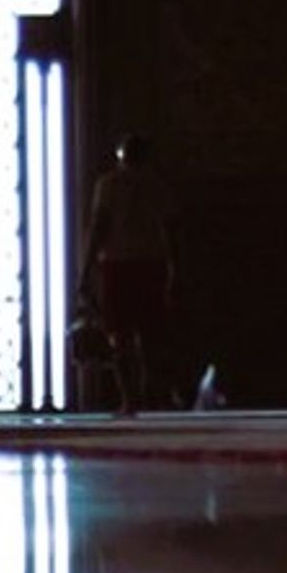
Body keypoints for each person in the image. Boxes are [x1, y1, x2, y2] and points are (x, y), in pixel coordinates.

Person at [79, 133, 175, 416]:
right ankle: (152, 395)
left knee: (120, 334)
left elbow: (99, 227)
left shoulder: (108, 184)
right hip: (151, 261)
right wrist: (174, 267)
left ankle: (130, 399)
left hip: (118, 263)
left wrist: (86, 270)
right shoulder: (157, 185)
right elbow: (170, 229)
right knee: (150, 335)